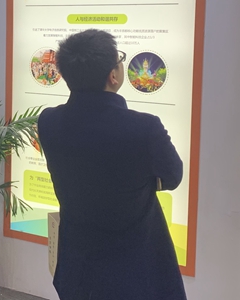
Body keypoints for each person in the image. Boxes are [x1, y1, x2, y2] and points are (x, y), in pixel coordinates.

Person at [37, 29, 186, 300]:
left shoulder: (48, 122)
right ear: (113, 76)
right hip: (134, 268)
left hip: (77, 265)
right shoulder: (144, 128)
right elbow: (173, 177)